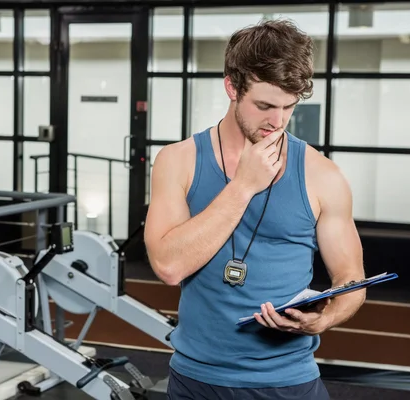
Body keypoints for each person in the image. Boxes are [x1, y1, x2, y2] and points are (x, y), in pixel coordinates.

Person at [144, 18, 366, 400]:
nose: (277, 122)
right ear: (231, 86)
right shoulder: (177, 161)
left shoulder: (322, 175)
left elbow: (351, 278)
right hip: (196, 381)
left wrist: (325, 317)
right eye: (264, 106)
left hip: (289, 383)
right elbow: (168, 266)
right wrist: (244, 185)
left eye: (288, 107)